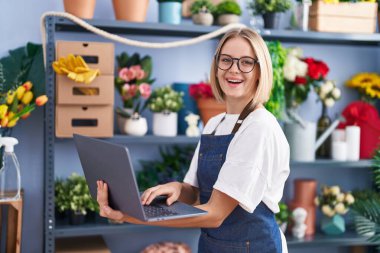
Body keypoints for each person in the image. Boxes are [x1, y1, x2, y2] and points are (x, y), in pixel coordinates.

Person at [97, 27, 290, 253]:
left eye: (246, 62)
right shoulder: (215, 123)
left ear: (260, 71)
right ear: (216, 67)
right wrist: (178, 188)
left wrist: (130, 216)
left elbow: (215, 214)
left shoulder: (259, 127)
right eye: (226, 60)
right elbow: (199, 194)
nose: (234, 69)